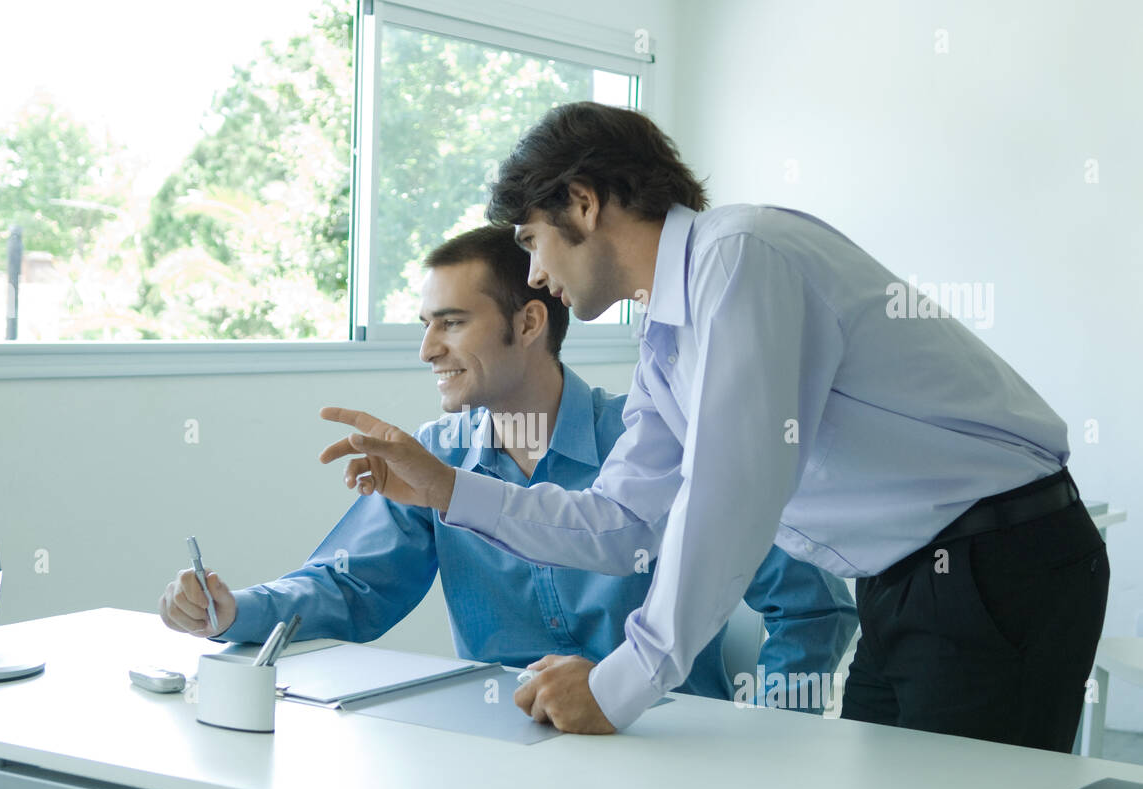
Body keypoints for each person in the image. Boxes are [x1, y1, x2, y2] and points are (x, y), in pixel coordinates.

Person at [318, 102, 1109, 752]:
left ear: (584, 203)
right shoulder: (667, 340)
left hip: (1001, 559)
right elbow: (621, 519)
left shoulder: (741, 256)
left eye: (532, 239)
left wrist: (620, 683)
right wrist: (450, 487)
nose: (534, 274)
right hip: (907, 581)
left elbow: (731, 494)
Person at [160, 225, 857, 710]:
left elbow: (811, 605)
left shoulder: (657, 446)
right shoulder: (433, 458)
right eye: (426, 323)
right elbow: (351, 588)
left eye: (452, 322)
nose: (427, 349)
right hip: (502, 742)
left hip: (661, 747)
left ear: (528, 324)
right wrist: (234, 610)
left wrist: (765, 737)